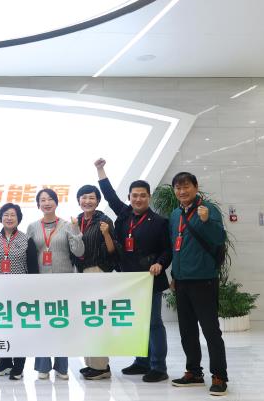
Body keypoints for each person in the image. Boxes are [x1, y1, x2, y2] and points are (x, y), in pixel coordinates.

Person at [95, 158, 172, 383]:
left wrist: (160, 263)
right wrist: (100, 170)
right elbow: (109, 195)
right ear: (129, 197)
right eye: (134, 195)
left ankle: (159, 367)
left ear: (149, 197)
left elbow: (167, 250)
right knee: (138, 322)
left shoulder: (159, 222)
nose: (138, 199)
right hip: (129, 280)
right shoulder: (124, 215)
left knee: (154, 323)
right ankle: (142, 361)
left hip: (150, 279)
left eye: (143, 195)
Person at [168, 172, 228, 396]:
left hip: (204, 279)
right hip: (182, 281)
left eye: (186, 187)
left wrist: (206, 221)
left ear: (195, 187)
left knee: (211, 331)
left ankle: (219, 376)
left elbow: (219, 238)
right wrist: (175, 275)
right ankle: (193, 372)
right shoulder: (175, 214)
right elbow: (175, 246)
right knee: (187, 331)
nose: (182, 191)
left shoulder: (208, 209)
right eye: (178, 188)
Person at [0, 203, 39, 380]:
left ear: (18, 218)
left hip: (20, 292)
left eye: (13, 215)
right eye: (6, 215)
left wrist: (33, 292)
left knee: (19, 329)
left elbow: (33, 268)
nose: (9, 218)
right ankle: (4, 363)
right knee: (2, 327)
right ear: (0, 218)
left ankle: (18, 366)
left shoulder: (26, 239)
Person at [26, 188, 84, 381]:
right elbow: (29, 256)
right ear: (38, 205)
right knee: (43, 324)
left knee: (61, 324)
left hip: (63, 281)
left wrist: (76, 230)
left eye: (50, 199)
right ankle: (43, 366)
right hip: (41, 283)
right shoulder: (32, 227)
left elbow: (79, 252)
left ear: (56, 202)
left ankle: (61, 367)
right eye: (43, 200)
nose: (47, 203)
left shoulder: (68, 225)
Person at [74, 184, 119, 380]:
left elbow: (112, 250)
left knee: (97, 319)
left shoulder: (104, 220)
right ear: (79, 200)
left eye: (91, 198)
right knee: (86, 320)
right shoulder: (77, 220)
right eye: (84, 197)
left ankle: (101, 367)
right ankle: (91, 363)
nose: (87, 201)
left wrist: (107, 233)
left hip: (97, 271)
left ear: (98, 201)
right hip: (81, 273)